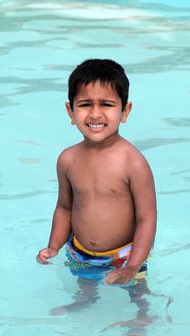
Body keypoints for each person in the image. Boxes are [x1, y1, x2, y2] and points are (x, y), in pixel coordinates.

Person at [36, 58, 157, 287]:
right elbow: (64, 207)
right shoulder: (67, 160)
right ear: (71, 111)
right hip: (80, 251)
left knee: (139, 292)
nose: (95, 114)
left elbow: (146, 219)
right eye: (85, 104)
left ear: (125, 111)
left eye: (106, 104)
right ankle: (84, 302)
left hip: (125, 254)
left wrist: (132, 266)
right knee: (84, 286)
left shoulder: (133, 162)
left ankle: (142, 314)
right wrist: (53, 246)